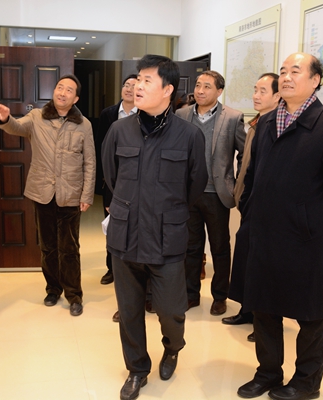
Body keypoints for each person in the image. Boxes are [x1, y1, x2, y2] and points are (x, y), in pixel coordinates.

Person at [233, 53, 323, 400]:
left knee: (311, 315)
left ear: (315, 80)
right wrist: (251, 209)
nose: (287, 77)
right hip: (263, 233)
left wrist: (311, 218)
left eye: (296, 71)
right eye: (283, 71)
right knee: (264, 308)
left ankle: (306, 383)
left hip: (305, 239)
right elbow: (253, 176)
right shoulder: (266, 123)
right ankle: (268, 373)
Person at [102, 54, 207, 400]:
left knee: (171, 311)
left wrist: (166, 210)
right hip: (126, 236)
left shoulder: (189, 136)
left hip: (167, 238)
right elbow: (111, 177)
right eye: (137, 79)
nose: (138, 86)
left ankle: (173, 347)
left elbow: (195, 186)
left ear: (167, 90)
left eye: (147, 80)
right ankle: (137, 369)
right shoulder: (119, 131)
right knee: (129, 311)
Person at [0, 74, 96, 317]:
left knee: (69, 248)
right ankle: (53, 289)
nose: (62, 92)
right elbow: (17, 127)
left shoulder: (84, 124)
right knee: (48, 247)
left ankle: (74, 295)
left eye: (69, 90)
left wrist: (87, 195)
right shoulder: (37, 117)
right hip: (42, 193)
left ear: (75, 98)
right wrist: (5, 118)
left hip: (71, 194)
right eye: (60, 87)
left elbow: (90, 162)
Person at [175, 70, 245, 315]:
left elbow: (245, 153)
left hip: (217, 194)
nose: (200, 90)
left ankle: (220, 296)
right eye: (198, 85)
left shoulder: (233, 117)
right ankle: (190, 295)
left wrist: (236, 183)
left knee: (219, 247)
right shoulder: (182, 115)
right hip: (188, 193)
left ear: (219, 91)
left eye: (207, 86)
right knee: (190, 248)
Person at [224, 72, 281, 341]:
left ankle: (264, 322)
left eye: (262, 91)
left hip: (265, 207)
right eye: (255, 90)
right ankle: (247, 310)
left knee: (264, 268)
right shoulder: (256, 123)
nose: (255, 96)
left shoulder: (277, 127)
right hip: (249, 201)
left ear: (277, 96)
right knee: (245, 259)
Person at [96, 74, 138, 286]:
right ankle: (111, 268)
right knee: (113, 227)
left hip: (136, 180)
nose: (129, 89)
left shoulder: (145, 113)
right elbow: (101, 149)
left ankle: (133, 270)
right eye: (126, 85)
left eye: (134, 86)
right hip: (112, 179)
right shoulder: (108, 114)